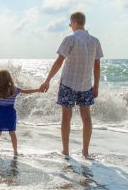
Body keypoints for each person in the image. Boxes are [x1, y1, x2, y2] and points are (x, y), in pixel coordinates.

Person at [40, 11, 103, 157]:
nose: (70, 26)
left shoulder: (70, 39)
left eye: (70, 24)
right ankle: (85, 151)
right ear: (83, 22)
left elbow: (59, 62)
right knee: (86, 118)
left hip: (68, 83)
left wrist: (47, 80)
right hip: (86, 85)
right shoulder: (95, 41)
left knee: (66, 118)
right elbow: (97, 66)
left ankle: (66, 151)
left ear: (74, 22)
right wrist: (97, 86)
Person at [0, 69, 42, 156]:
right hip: (10, 113)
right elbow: (27, 91)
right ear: (9, 78)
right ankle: (15, 152)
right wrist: (38, 90)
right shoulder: (14, 89)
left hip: (0, 113)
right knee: (12, 133)